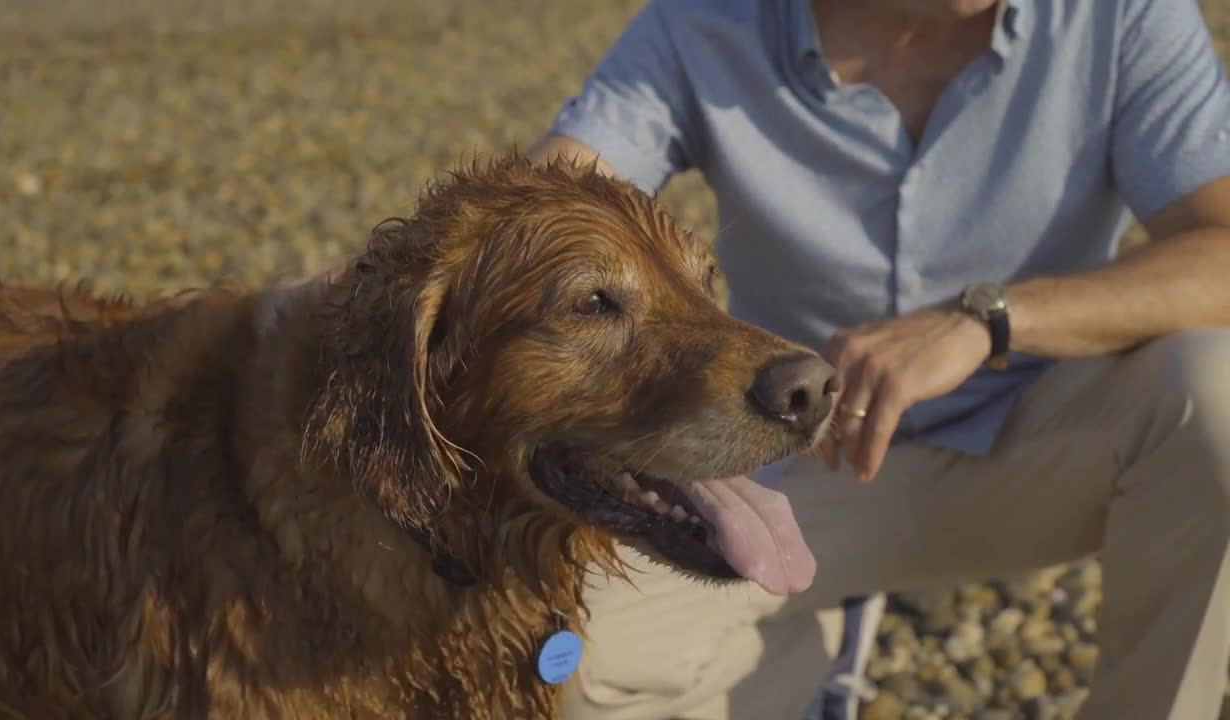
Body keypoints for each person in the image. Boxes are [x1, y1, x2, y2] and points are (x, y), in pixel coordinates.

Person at [524, 0, 1230, 718]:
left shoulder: (1125, 15)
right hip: (789, 470)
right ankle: (808, 655)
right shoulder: (705, 22)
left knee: (1219, 387)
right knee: (567, 671)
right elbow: (538, 218)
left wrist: (990, 318)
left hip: (1043, 445)